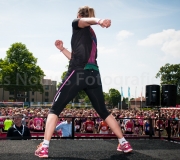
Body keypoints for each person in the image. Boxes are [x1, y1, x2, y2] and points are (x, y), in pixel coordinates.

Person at [35, 6, 133, 158]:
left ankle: (44, 147)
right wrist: (62, 49)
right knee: (103, 111)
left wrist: (99, 21)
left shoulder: (77, 23)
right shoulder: (92, 36)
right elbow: (75, 56)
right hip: (93, 74)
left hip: (78, 73)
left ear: (80, 15)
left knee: (55, 109)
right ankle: (124, 142)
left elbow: (85, 21)